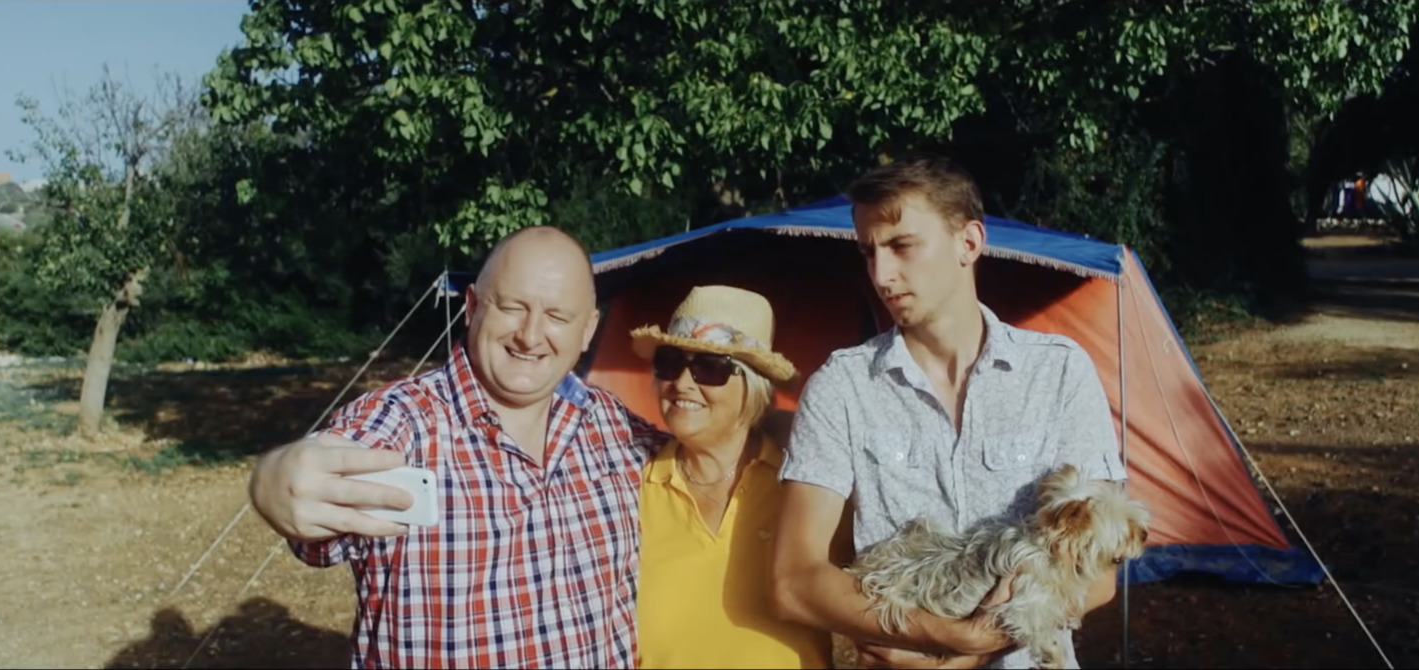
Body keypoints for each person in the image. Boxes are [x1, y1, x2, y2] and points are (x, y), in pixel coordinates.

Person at [245, 225, 668, 669]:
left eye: (558, 317)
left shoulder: (614, 427)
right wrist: (272, 479)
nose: (530, 334)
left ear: (588, 331)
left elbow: (709, 468)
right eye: (512, 307)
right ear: (471, 307)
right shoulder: (403, 423)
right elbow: (316, 493)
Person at [768, 155, 1128, 670]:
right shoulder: (840, 387)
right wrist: (945, 635)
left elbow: (1096, 576)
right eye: (868, 252)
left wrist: (964, 654)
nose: (881, 274)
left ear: (970, 242)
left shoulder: (1060, 374)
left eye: (901, 246)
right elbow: (793, 581)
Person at [627, 284, 833, 669]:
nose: (682, 383)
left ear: (754, 386)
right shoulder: (630, 494)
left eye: (710, 367)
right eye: (670, 362)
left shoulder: (806, 487)